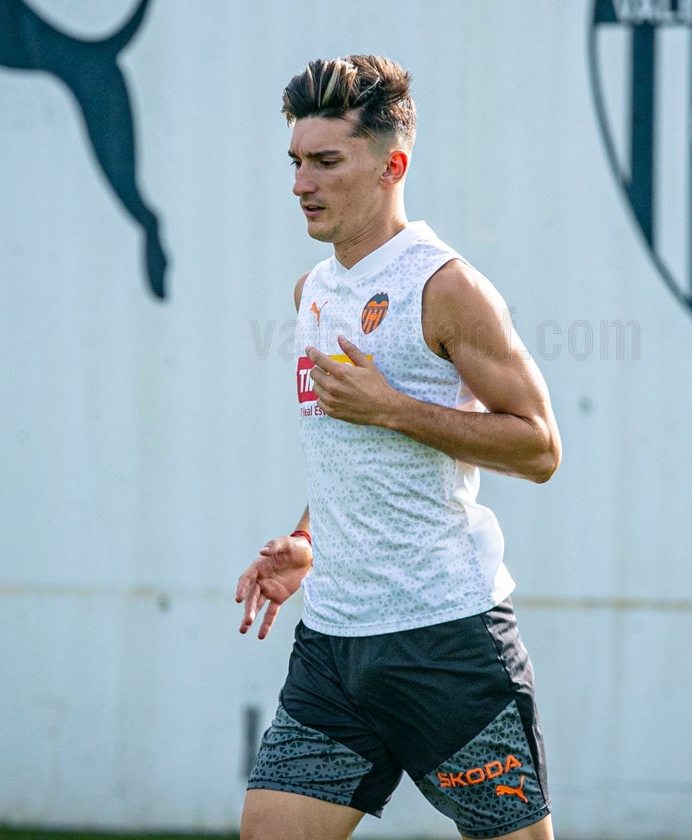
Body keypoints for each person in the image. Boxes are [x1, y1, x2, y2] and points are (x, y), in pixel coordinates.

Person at [234, 54, 562, 840]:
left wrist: (396, 407)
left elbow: (540, 447)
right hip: (334, 647)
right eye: (295, 162)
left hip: (443, 641)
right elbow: (356, 451)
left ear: (391, 166)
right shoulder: (311, 291)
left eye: (325, 161)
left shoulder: (446, 287)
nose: (300, 183)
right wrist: (310, 539)